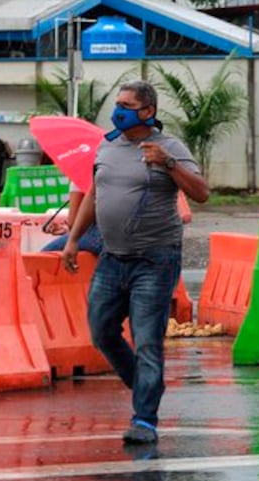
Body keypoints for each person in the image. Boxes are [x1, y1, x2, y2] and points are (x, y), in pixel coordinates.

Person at [62, 80, 210, 445]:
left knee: (147, 340)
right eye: (118, 103)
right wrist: (73, 239)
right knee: (101, 331)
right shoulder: (107, 146)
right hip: (112, 258)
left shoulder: (168, 147)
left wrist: (168, 164)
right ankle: (145, 382)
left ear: (148, 111)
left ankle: (144, 419)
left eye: (127, 104)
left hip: (155, 260)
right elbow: (95, 194)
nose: (119, 109)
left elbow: (202, 193)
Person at [41, 181, 103, 253]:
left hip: (100, 237)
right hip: (116, 234)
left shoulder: (81, 179)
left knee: (43, 255)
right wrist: (65, 229)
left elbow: (72, 223)